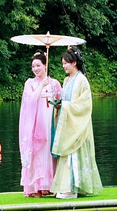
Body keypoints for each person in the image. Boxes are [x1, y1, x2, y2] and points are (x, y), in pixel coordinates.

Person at [50, 47, 102, 199]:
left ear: (74, 63)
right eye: (62, 64)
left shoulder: (82, 80)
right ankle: (66, 186)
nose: (63, 66)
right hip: (68, 121)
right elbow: (66, 100)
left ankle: (73, 188)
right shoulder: (66, 81)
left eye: (65, 63)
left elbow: (84, 105)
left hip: (79, 122)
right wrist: (58, 105)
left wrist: (65, 106)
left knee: (74, 153)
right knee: (67, 153)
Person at [19, 51, 62, 197]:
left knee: (50, 152)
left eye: (38, 65)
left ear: (45, 65)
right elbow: (29, 102)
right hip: (36, 123)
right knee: (38, 152)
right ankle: (35, 187)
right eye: (33, 66)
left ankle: (50, 185)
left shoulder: (54, 84)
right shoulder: (30, 83)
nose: (35, 69)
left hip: (51, 121)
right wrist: (41, 86)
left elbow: (60, 101)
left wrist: (58, 105)